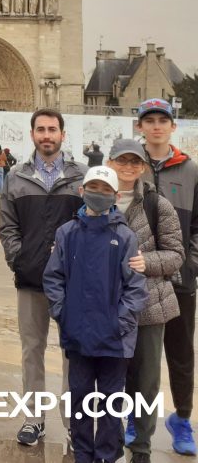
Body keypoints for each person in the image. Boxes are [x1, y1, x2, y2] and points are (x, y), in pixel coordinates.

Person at [43, 166, 147, 463]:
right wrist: (64, 314)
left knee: (112, 401)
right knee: (81, 399)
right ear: (81, 191)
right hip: (78, 337)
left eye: (105, 190)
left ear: (115, 196)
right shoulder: (67, 233)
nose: (98, 195)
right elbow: (53, 278)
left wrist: (119, 323)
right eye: (93, 188)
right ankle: (83, 454)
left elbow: (136, 287)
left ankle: (107, 454)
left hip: (116, 341)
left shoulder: (125, 237)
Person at [0, 108, 86, 447]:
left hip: (73, 283)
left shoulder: (82, 176)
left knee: (72, 354)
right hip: (31, 279)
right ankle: (33, 418)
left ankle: (72, 422)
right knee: (31, 350)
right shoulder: (17, 176)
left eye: (52, 129)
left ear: (63, 134)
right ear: (32, 134)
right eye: (41, 129)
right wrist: (19, 259)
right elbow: (7, 226)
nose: (46, 135)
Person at [108, 137, 183, 463]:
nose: (128, 167)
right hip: (107, 307)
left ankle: (141, 448)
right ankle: (110, 441)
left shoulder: (157, 204)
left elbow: (176, 254)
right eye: (121, 161)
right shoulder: (96, 198)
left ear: (142, 167)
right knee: (111, 381)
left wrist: (146, 262)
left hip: (150, 306)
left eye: (134, 162)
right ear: (110, 162)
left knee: (147, 382)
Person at [135, 98, 198, 455]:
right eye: (150, 120)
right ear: (140, 127)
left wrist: (189, 265)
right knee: (140, 357)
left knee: (180, 353)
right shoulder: (130, 166)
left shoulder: (191, 171)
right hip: (139, 281)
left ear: (173, 126)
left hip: (178, 282)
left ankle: (182, 420)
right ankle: (136, 419)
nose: (156, 126)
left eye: (163, 120)